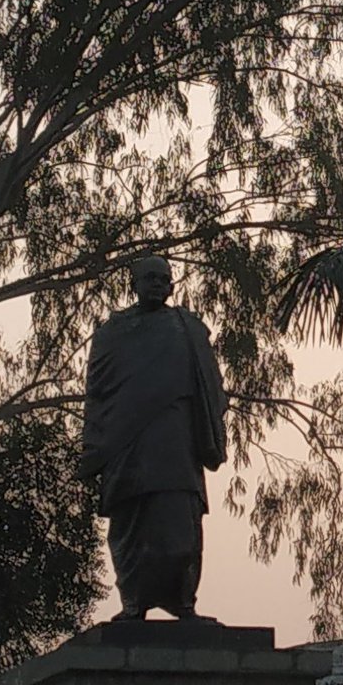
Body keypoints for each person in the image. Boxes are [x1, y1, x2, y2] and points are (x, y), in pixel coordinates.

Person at [79, 255, 227, 620]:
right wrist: (97, 443)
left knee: (181, 523)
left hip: (176, 439)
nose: (158, 285)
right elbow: (98, 389)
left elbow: (211, 384)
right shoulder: (113, 332)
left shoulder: (188, 328)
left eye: (165, 279)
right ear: (134, 284)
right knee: (131, 524)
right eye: (150, 278)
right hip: (127, 441)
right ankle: (133, 601)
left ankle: (183, 600)